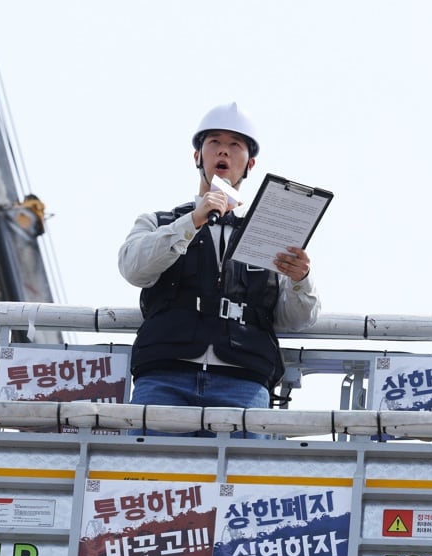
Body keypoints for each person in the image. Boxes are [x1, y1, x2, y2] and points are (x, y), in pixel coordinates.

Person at [118, 102, 321, 436]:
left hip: (243, 380)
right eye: (214, 142)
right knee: (150, 479)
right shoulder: (160, 222)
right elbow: (133, 269)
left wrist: (301, 278)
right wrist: (194, 219)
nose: (223, 151)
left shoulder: (270, 235)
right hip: (165, 375)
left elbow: (296, 318)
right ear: (197, 156)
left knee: (241, 486)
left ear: (249, 164)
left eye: (235, 145)